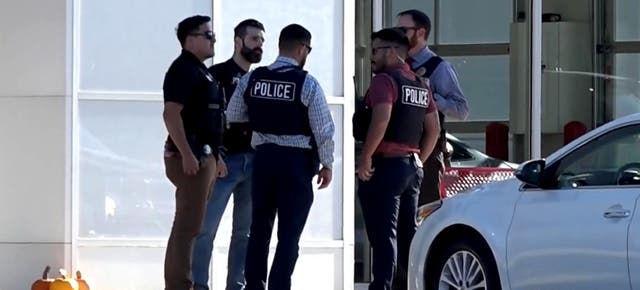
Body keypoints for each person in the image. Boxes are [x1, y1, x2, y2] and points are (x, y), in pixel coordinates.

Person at [226, 23, 335, 290]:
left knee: (258, 231)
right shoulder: (307, 83)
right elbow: (324, 129)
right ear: (301, 49)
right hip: (295, 165)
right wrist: (327, 163)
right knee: (289, 235)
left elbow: (233, 114)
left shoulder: (253, 78)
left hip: (262, 161)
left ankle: (254, 285)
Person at [354, 27, 440, 290]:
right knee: (406, 236)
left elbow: (382, 119)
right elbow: (434, 128)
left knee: (383, 235)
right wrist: (419, 161)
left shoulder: (384, 81)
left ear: (392, 52)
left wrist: (366, 157)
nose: (372, 57)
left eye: (376, 50)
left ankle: (382, 285)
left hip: (386, 167)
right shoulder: (419, 84)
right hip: (411, 169)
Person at [191, 19, 265, 290]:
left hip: (254, 162)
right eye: (255, 39)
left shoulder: (261, 78)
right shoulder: (218, 74)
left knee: (244, 233)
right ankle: (199, 284)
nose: (260, 45)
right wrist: (214, 156)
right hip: (224, 163)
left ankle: (237, 285)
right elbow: (203, 120)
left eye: (262, 41)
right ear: (238, 41)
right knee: (205, 229)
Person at [162, 15, 227, 290]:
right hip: (191, 158)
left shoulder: (201, 70)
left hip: (205, 155)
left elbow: (207, 118)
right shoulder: (182, 70)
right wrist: (186, 153)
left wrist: (217, 157)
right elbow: (171, 114)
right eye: (207, 35)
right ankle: (179, 285)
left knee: (190, 226)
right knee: (187, 228)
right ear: (190, 39)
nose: (213, 40)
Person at [397, 9, 469, 205]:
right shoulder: (397, 64)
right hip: (398, 150)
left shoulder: (439, 68)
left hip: (427, 153)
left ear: (420, 32)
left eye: (403, 29)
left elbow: (461, 110)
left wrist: (430, 97)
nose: (398, 35)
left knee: (424, 212)